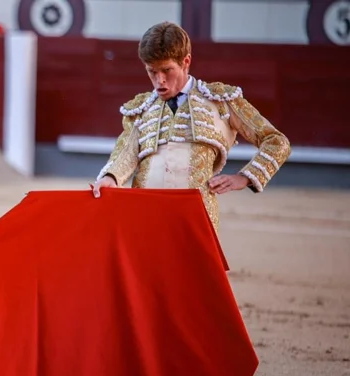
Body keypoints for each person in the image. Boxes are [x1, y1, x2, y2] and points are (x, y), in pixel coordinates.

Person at [90, 21, 291, 230]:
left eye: (167, 70)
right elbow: (125, 151)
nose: (160, 81)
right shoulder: (141, 108)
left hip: (196, 219)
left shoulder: (220, 100)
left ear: (186, 62)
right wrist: (110, 177)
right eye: (152, 72)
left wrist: (246, 177)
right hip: (144, 216)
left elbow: (277, 141)